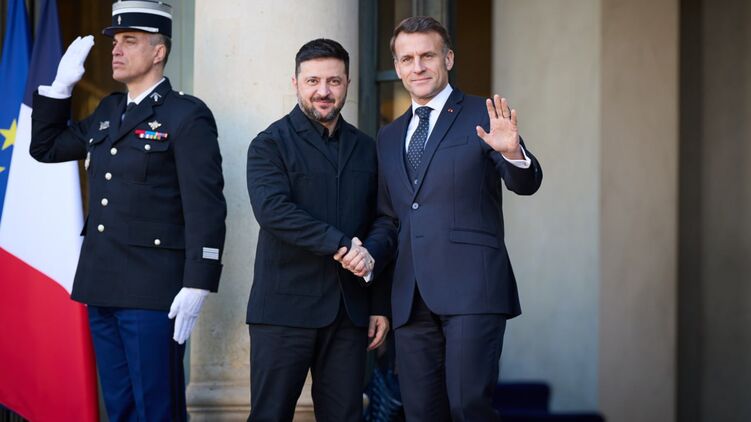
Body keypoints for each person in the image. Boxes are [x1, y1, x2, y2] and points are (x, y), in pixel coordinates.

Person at [29, 1, 226, 420]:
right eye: (115, 41)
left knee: (157, 408)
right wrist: (59, 88)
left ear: (158, 52)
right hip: (101, 284)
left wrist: (199, 281)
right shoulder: (109, 110)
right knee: (119, 408)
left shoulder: (186, 115)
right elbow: (45, 148)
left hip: (152, 290)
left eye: (129, 41)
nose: (116, 50)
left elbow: (205, 205)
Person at [344, 16, 544, 421]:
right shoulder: (388, 136)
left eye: (427, 56)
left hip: (472, 291)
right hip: (410, 297)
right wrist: (368, 256)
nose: (417, 67)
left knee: (468, 406)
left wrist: (512, 153)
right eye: (407, 59)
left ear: (448, 59)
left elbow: (526, 183)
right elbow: (389, 218)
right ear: (397, 67)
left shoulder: (483, 115)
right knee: (421, 413)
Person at [245, 38, 394, 422]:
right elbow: (273, 211)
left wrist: (378, 303)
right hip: (283, 312)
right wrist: (342, 245)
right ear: (295, 83)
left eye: (334, 81)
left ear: (347, 84)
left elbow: (383, 220)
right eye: (313, 81)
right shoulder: (268, 144)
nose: (323, 91)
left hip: (349, 313)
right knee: (269, 416)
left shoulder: (368, 148)